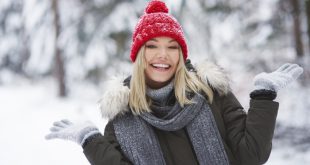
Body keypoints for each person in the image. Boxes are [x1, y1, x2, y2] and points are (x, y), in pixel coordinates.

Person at [45, 0, 304, 165]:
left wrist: (263, 96)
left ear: (181, 55)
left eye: (172, 47)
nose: (162, 55)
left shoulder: (212, 93)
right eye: (152, 46)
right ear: (139, 55)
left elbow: (251, 156)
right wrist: (90, 140)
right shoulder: (122, 118)